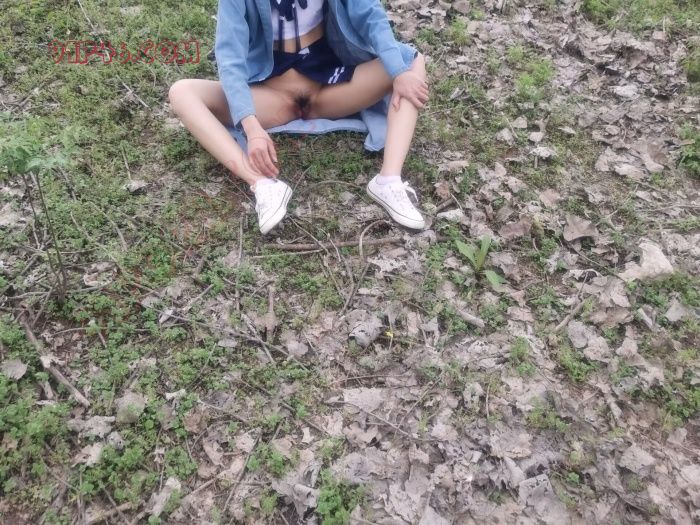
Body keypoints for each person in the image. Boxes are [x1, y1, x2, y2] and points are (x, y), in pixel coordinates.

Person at [169, 0, 429, 234]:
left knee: (410, 62)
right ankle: (262, 185)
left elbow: (370, 14)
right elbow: (230, 57)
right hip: (271, 96)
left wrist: (398, 72)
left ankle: (388, 180)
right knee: (182, 92)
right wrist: (250, 125)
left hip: (329, 88)